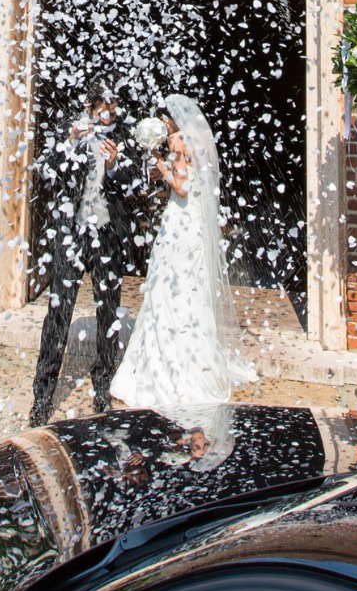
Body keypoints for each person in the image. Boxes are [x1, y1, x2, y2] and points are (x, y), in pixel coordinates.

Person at [111, 95, 254, 427]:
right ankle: (196, 357)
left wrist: (160, 166)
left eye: (165, 117)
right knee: (190, 290)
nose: (163, 122)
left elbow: (182, 187)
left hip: (179, 221)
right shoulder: (200, 140)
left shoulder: (176, 140)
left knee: (167, 288)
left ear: (173, 118)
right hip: (195, 226)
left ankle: (162, 366)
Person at [30, 83, 142, 426]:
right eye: (101, 104)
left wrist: (113, 165)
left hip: (107, 236)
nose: (107, 110)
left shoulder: (128, 136)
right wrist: (69, 144)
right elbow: (47, 173)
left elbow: (135, 183)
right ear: (90, 106)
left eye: (113, 104)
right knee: (58, 310)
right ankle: (43, 396)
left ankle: (102, 384)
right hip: (70, 234)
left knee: (108, 314)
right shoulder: (70, 128)